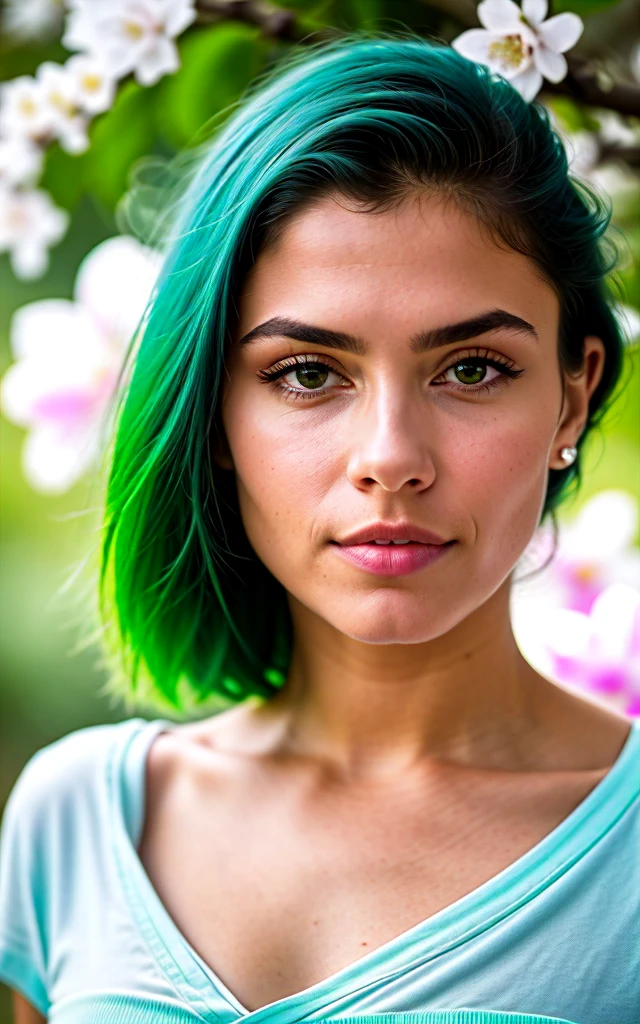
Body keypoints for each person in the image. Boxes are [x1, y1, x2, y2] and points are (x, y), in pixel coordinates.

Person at [0, 29, 638, 1024]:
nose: (390, 454)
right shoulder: (72, 824)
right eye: (306, 374)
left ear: (570, 395)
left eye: (471, 367)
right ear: (212, 409)